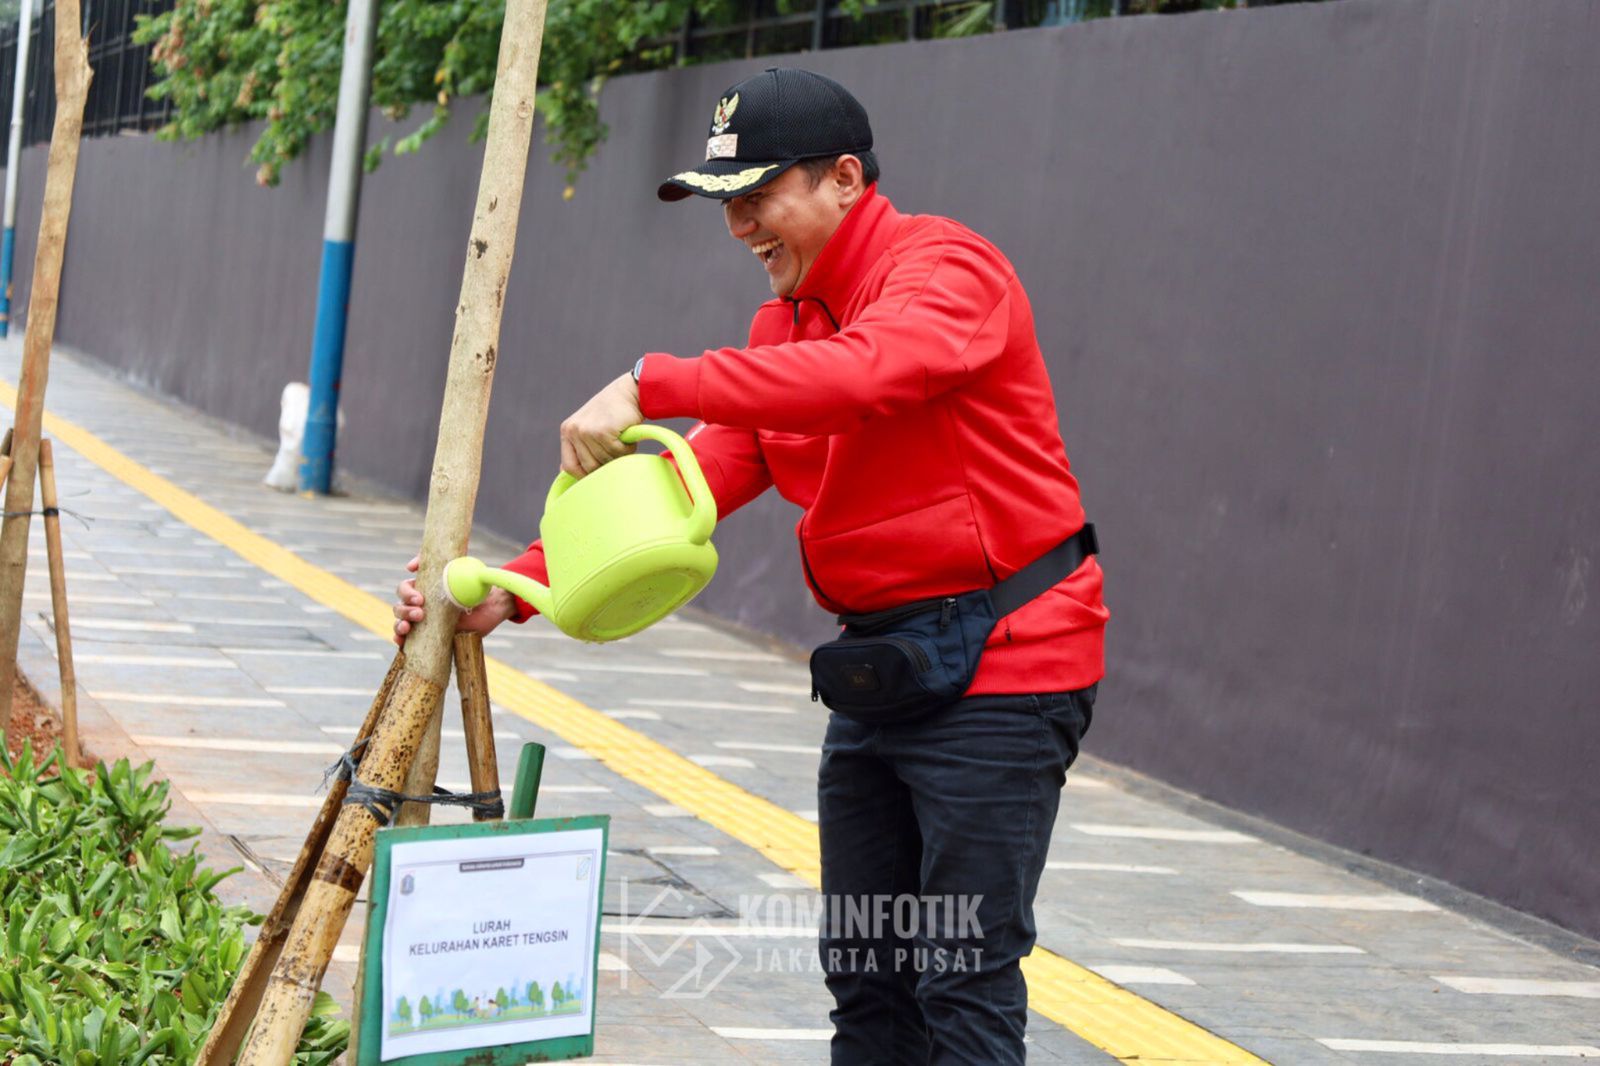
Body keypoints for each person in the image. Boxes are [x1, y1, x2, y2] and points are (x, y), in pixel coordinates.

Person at [393, 67, 1108, 1066]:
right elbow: (702, 473)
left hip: (1006, 663)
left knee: (960, 967)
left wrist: (653, 380)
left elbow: (865, 374)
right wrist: (518, 587)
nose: (739, 227)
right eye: (725, 204)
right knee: (866, 971)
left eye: (757, 196)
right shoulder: (787, 325)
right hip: (885, 666)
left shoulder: (947, 270)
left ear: (844, 179)